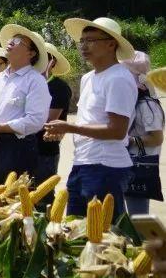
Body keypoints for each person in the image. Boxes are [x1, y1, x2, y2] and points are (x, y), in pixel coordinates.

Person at [45, 17, 137, 222]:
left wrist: (70, 127)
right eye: (82, 41)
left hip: (106, 166)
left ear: (111, 44)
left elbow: (117, 130)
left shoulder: (118, 78)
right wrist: (65, 129)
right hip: (83, 162)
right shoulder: (88, 78)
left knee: (105, 238)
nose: (84, 46)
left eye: (91, 40)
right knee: (75, 232)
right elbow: (89, 120)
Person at [0, 24, 51, 189]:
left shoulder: (35, 81)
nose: (11, 42)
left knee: (14, 206)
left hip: (17, 148)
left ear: (31, 53)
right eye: (11, 39)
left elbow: (35, 121)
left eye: (18, 41)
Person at [122, 51, 164, 214]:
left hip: (138, 166)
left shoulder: (147, 105)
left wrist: (126, 140)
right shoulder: (133, 102)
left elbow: (156, 138)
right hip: (126, 163)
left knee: (137, 219)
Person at [35, 43, 73, 201]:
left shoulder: (59, 87)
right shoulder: (29, 82)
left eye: (45, 58)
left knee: (43, 196)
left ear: (52, 62)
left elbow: (47, 120)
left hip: (45, 149)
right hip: (25, 148)